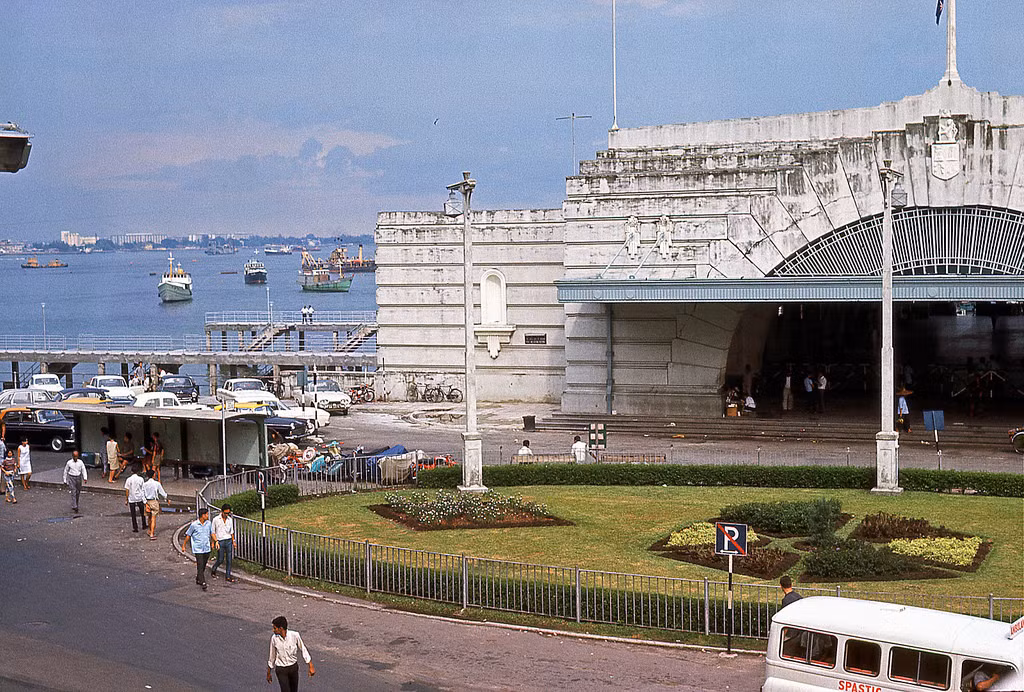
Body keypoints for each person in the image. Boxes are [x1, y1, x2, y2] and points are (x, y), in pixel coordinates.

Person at [267, 615, 315, 692]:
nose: (273, 630)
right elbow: (272, 656)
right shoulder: (274, 639)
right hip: (281, 669)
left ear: (281, 628)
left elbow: (303, 649)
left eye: (275, 628)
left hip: (293, 668)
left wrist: (311, 666)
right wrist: (269, 673)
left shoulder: (295, 635)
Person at [182, 507, 214, 591]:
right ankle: (203, 582)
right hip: (198, 548)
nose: (207, 516)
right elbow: (188, 535)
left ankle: (198, 577)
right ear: (202, 515)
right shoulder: (194, 525)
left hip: (206, 547)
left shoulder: (209, 524)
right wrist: (184, 545)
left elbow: (211, 533)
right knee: (200, 564)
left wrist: (214, 541)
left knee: (204, 564)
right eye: (206, 514)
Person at [210, 503, 236, 582]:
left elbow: (231, 532)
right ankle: (214, 568)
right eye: (225, 513)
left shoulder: (230, 520)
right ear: (222, 512)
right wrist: (214, 542)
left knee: (229, 559)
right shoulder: (216, 520)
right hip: (220, 541)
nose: (226, 515)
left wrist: (233, 541)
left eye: (228, 513)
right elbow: (213, 532)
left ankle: (228, 575)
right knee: (220, 559)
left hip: (228, 540)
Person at [143, 469, 168, 540]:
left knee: (149, 517)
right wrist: (166, 499)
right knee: (153, 518)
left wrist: (145, 503)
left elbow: (142, 494)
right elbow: (163, 493)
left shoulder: (144, 484)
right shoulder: (157, 484)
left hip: (147, 502)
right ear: (154, 475)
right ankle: (152, 533)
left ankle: (149, 530)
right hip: (154, 502)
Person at [124, 465, 147, 533]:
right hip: (139, 497)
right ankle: (144, 524)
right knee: (142, 512)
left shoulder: (128, 479)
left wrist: (126, 499)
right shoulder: (141, 479)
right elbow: (143, 489)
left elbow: (127, 490)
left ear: (131, 471)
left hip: (132, 498)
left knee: (133, 514)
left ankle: (135, 527)